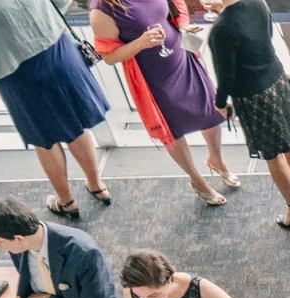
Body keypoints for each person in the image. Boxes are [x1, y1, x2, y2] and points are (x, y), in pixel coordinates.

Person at [0, 0, 107, 220]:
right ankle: (96, 186)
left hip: (17, 71)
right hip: (58, 51)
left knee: (43, 139)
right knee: (76, 125)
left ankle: (67, 202)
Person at [90, 0, 232, 202]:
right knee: (171, 131)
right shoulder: (103, 9)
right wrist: (140, 43)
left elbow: (177, 4)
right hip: (153, 77)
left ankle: (216, 159)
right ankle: (197, 180)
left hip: (182, 57)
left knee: (212, 111)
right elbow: (110, 57)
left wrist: (182, 24)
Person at [206, 0, 290, 227]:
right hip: (277, 82)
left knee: (272, 155)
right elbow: (266, 37)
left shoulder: (222, 29)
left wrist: (220, 103)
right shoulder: (257, 3)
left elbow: (226, 77)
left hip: (253, 97)